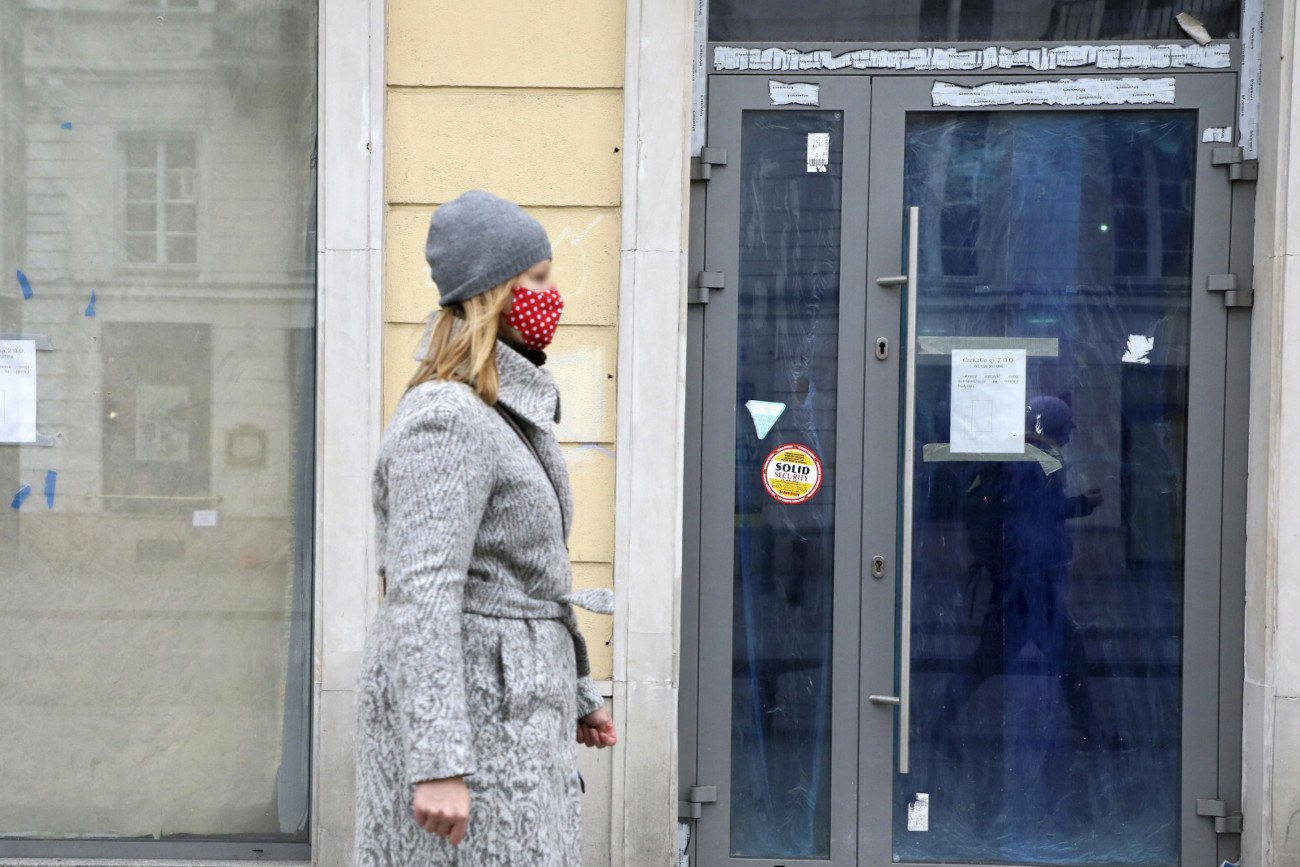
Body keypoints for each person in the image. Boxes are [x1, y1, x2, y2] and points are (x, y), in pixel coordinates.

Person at [354, 190, 617, 865]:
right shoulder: (446, 418)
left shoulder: (500, 413)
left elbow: (532, 575)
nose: (553, 296)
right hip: (475, 731)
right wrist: (438, 761)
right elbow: (422, 592)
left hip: (513, 716)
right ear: (492, 294)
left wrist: (577, 693)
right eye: (538, 279)